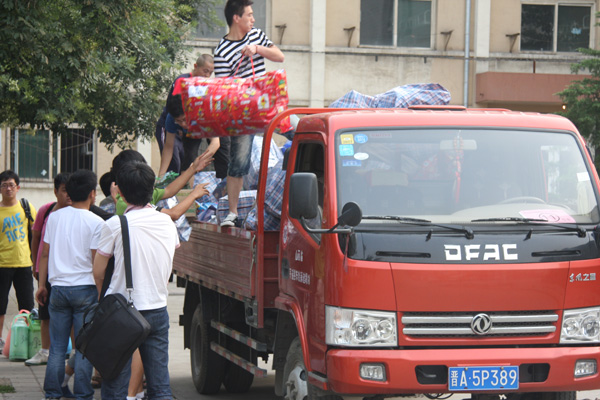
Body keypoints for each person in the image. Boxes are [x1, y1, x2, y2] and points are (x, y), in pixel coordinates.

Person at [93, 161, 179, 400]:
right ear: (152, 190)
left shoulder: (115, 224)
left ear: (118, 191)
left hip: (121, 313)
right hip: (157, 309)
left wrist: (105, 299)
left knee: (115, 385)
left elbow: (98, 272)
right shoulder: (167, 223)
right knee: (160, 386)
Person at [214, 0, 284, 227]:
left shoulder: (256, 35)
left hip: (266, 105)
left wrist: (257, 49)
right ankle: (232, 213)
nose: (253, 19)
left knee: (294, 129)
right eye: (249, 15)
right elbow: (223, 89)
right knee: (239, 162)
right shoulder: (222, 51)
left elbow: (278, 55)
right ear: (236, 18)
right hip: (242, 113)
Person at [36, 169, 104, 400]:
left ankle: (52, 394)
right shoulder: (96, 222)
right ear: (93, 194)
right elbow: (97, 262)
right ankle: (83, 394)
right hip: (86, 290)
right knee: (83, 348)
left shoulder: (54, 217)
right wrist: (100, 293)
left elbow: (44, 254)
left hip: (58, 290)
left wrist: (42, 285)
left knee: (56, 348)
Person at [157, 54, 229, 179]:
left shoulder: (204, 111)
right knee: (188, 157)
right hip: (190, 122)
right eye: (205, 71)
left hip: (209, 121)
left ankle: (223, 183)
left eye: (210, 72)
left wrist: (201, 160)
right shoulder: (172, 118)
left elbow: (215, 142)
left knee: (223, 155)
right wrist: (160, 176)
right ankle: (184, 184)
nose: (207, 75)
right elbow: (168, 147)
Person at [0, 170, 36, 353]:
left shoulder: (26, 207)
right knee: (0, 306)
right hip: (2, 265)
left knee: (27, 305)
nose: (8, 189)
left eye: (11, 185)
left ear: (18, 187)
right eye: (4, 185)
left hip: (23, 264)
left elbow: (36, 233)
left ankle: (29, 339)